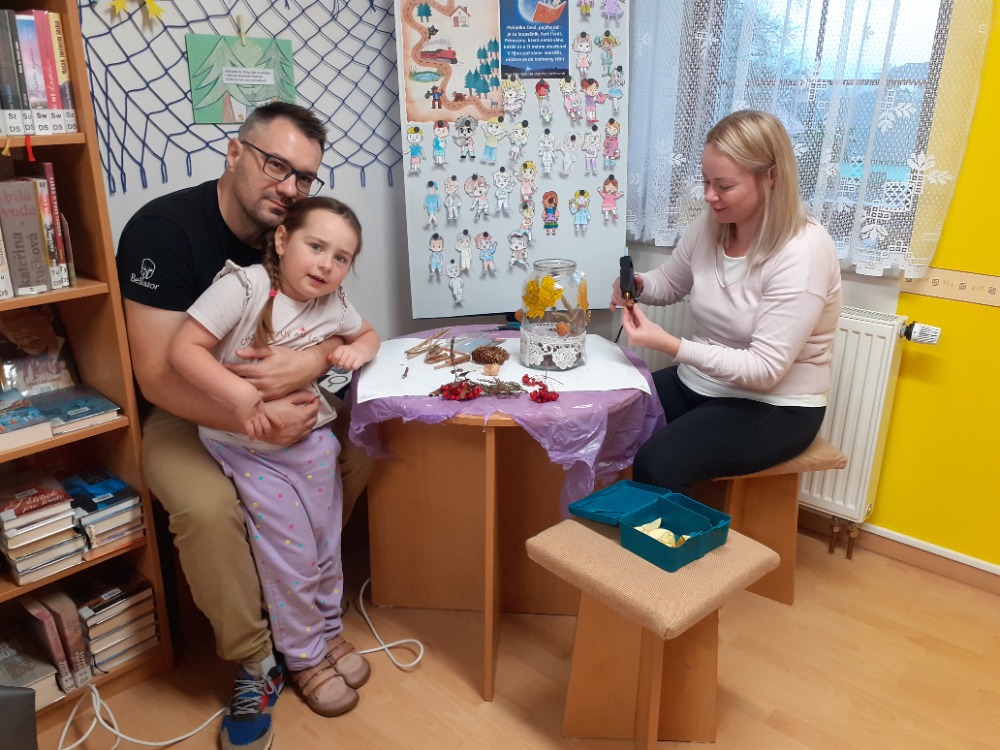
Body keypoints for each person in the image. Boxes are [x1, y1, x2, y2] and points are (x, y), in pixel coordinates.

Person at [116, 102, 371, 750]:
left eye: (304, 176)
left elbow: (339, 334)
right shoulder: (165, 232)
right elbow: (159, 375)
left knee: (368, 443)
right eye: (276, 165)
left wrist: (312, 365)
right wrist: (254, 415)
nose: (290, 187)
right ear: (235, 153)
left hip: (283, 401)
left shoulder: (305, 245)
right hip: (187, 409)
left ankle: (308, 603)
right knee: (207, 508)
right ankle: (258, 659)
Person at [168, 197, 380, 717]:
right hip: (251, 451)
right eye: (316, 246)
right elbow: (183, 349)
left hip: (312, 444)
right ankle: (303, 656)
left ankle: (328, 632)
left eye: (341, 257)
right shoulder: (242, 288)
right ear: (283, 240)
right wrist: (240, 398)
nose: (326, 264)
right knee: (292, 560)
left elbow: (368, 334)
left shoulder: (333, 301)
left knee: (325, 546)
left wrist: (357, 350)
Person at [611, 110, 842, 494]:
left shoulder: (804, 251)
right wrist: (638, 286)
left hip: (776, 404)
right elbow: (671, 283)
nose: (709, 196)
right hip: (701, 383)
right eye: (705, 182)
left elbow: (764, 370)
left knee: (658, 462)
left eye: (724, 185)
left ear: (772, 177)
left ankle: (674, 535)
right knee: (612, 414)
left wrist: (672, 346)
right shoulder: (710, 226)